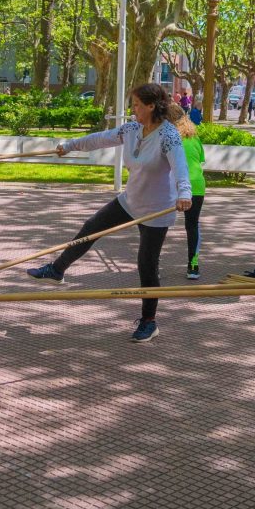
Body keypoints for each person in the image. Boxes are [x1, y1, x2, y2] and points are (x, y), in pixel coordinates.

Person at [27, 83, 192, 342]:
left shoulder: (168, 135)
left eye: (137, 104)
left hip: (157, 210)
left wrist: (185, 193)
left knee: (146, 265)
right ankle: (57, 270)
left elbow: (180, 167)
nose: (133, 109)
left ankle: (149, 322)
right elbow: (99, 139)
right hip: (131, 201)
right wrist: (69, 145)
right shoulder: (131, 129)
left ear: (150, 106)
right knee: (92, 226)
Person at [169, 105, 206, 279]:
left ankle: (153, 266)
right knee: (192, 226)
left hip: (175, 184)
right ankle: (193, 266)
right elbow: (200, 161)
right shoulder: (194, 137)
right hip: (197, 185)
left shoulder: (169, 137)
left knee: (157, 226)